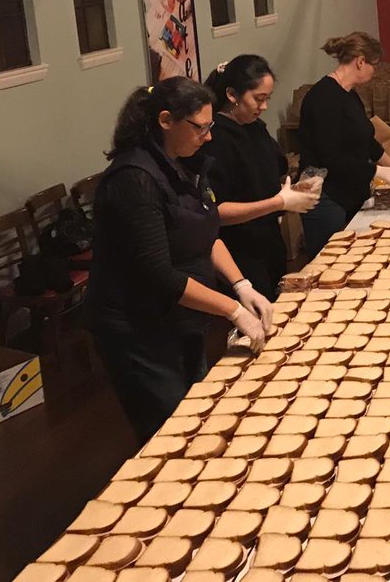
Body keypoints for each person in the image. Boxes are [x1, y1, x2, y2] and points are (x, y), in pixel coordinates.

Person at [88, 78, 273, 441]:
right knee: (173, 432)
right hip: (139, 330)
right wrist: (232, 310)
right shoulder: (135, 180)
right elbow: (158, 275)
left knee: (199, 416)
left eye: (210, 126)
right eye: (200, 128)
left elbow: (204, 231)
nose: (208, 137)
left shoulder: (183, 164)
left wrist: (241, 285)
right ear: (166, 121)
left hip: (181, 319)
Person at [200, 55, 320, 302]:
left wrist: (294, 191)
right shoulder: (216, 140)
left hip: (269, 243)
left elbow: (262, 181)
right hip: (240, 252)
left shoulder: (255, 128)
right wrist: (279, 202)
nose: (263, 107)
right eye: (258, 98)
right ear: (231, 95)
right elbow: (216, 211)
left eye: (267, 99)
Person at [299, 32, 390, 258]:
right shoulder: (322, 98)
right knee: (330, 264)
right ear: (360, 61)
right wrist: (378, 172)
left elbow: (366, 141)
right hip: (327, 199)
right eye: (374, 65)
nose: (374, 71)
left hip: (349, 193)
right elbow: (331, 157)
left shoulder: (350, 95)